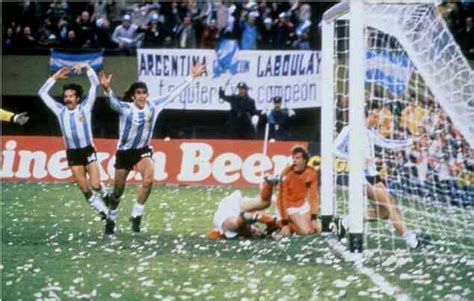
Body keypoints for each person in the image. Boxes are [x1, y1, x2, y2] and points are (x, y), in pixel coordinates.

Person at [99, 63, 207, 235]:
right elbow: (113, 104)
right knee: (118, 191)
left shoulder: (153, 105)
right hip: (125, 153)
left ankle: (136, 214)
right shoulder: (126, 109)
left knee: (149, 179)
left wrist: (192, 76)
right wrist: (107, 90)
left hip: (142, 150)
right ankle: (111, 217)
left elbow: (173, 94)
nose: (142, 96)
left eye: (144, 93)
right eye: (138, 93)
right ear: (133, 97)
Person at [332, 106, 422, 248]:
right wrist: (356, 158)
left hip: (373, 175)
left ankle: (344, 223)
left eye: (377, 117)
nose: (376, 120)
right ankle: (410, 239)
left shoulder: (370, 132)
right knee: (390, 203)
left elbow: (386, 143)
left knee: (384, 213)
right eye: (374, 116)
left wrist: (410, 142)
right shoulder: (350, 130)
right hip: (360, 176)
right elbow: (334, 148)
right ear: (364, 117)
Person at [37, 63, 109, 221]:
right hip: (72, 153)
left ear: (77, 98)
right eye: (66, 97)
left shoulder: (85, 108)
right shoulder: (59, 110)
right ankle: (104, 213)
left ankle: (105, 195)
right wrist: (55, 77)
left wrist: (87, 67)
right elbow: (41, 93)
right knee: (85, 189)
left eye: (70, 96)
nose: (67, 99)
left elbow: (94, 85)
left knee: (96, 185)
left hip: (87, 150)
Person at [208, 178, 280, 240]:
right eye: (257, 232)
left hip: (229, 214)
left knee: (236, 227)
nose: (257, 233)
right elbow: (268, 219)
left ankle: (244, 217)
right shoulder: (252, 222)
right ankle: (269, 182)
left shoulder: (236, 228)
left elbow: (266, 219)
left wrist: (272, 223)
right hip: (237, 205)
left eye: (255, 232)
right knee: (264, 203)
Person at [278, 146, 321, 237]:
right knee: (305, 232)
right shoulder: (286, 174)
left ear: (304, 160)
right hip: (289, 206)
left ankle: (291, 224)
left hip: (302, 204)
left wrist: (314, 217)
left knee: (315, 229)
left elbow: (313, 196)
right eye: (293, 158)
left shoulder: (311, 172)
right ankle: (280, 223)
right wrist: (284, 222)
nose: (294, 161)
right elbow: (281, 199)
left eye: (297, 158)